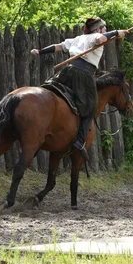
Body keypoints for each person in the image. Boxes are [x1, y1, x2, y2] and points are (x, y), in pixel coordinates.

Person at [31, 17, 127, 160]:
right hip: (84, 74)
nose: (106, 30)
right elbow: (100, 40)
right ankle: (80, 142)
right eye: (104, 28)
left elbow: (58, 46)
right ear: (98, 29)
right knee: (91, 107)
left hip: (66, 72)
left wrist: (40, 51)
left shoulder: (77, 39)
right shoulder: (95, 37)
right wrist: (116, 32)